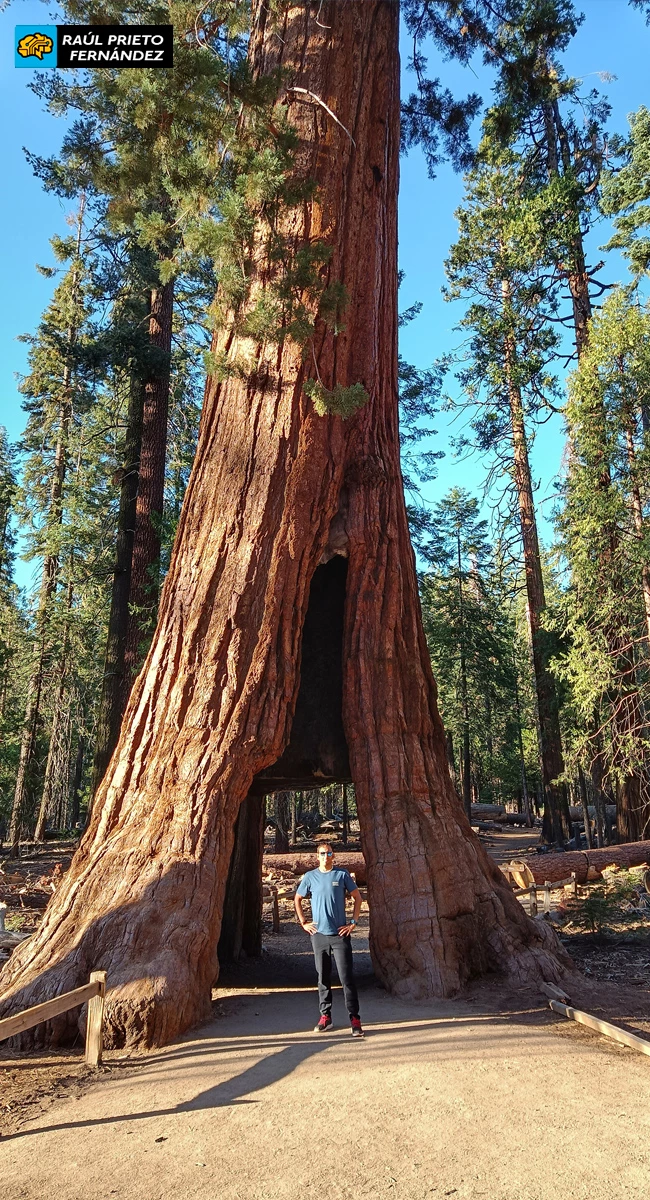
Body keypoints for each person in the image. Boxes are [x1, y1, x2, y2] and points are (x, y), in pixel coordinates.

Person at [294, 842, 364, 1037]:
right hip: (319, 935)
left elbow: (358, 897)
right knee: (322, 977)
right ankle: (326, 1016)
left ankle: (355, 1019)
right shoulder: (310, 877)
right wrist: (304, 922)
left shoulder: (341, 875)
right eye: (322, 853)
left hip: (340, 935)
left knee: (346, 977)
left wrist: (353, 922)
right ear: (317, 856)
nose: (326, 856)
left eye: (329, 853)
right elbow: (297, 899)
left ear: (334, 855)